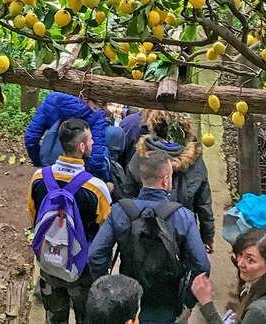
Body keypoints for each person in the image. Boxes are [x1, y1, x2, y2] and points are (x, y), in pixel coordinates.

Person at [89, 150, 210, 323]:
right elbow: (202, 264)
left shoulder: (120, 211)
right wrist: (188, 302)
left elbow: (96, 254)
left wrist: (107, 291)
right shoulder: (183, 216)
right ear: (166, 179)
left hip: (128, 300)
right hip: (167, 302)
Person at [28, 118, 112, 324]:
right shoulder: (97, 188)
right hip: (82, 268)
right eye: (90, 140)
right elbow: (106, 234)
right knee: (86, 317)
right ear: (81, 147)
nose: (93, 143)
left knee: (55, 317)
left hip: (49, 262)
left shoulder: (38, 177)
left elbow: (33, 218)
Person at [121, 110, 215, 251]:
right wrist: (207, 237)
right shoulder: (196, 163)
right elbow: (204, 205)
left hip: (142, 233)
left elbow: (128, 195)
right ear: (186, 130)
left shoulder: (140, 156)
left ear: (154, 127)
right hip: (182, 234)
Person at [191, 229, 266, 324]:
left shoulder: (259, 311)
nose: (240, 263)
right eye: (240, 254)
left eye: (250, 260)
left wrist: (206, 302)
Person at [26, 91, 111, 181]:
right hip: (79, 166)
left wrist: (39, 162)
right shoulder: (95, 113)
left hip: (50, 161)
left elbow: (30, 138)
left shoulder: (51, 100)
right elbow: (97, 156)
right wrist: (89, 177)